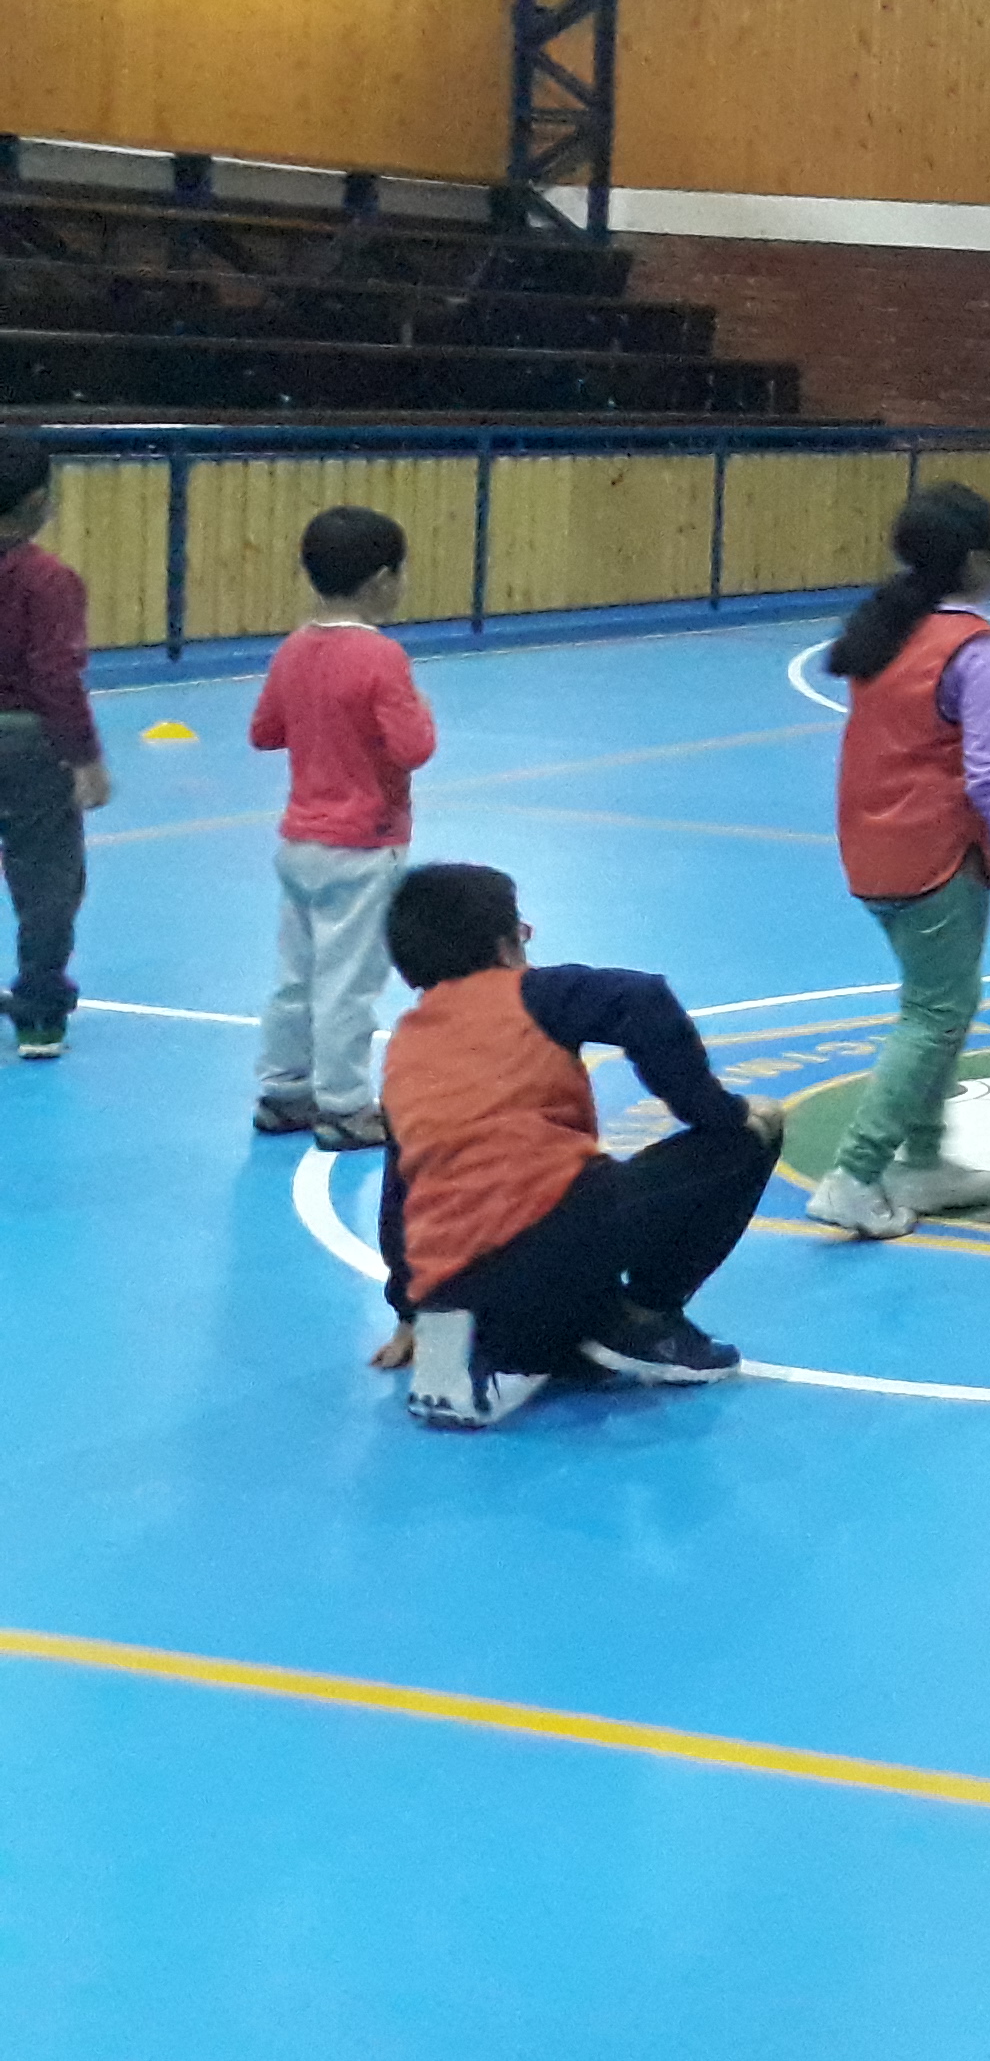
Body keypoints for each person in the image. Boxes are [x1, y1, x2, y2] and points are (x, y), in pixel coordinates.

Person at [371, 861, 784, 1431]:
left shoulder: (405, 1050)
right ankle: (644, 1316)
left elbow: (401, 1189)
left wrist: (409, 1309)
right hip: (550, 1250)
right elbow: (642, 998)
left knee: (552, 1221)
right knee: (746, 1139)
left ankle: (506, 1346)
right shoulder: (529, 993)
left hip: (453, 1291)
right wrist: (717, 1110)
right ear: (506, 946)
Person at [809, 483, 990, 1240]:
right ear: (975, 560)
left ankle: (926, 1161)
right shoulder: (979, 652)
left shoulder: (885, 630)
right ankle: (855, 1174)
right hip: (937, 857)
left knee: (943, 1003)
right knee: (934, 1014)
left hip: (874, 847)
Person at [247, 505, 437, 1152]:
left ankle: (283, 1089)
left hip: (300, 840)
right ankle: (346, 1104)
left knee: (295, 975)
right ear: (383, 580)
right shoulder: (383, 657)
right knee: (349, 983)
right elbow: (414, 748)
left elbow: (265, 731)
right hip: (363, 843)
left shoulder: (294, 647)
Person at [0, 428, 104, 1061]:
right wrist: (85, 757)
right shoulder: (48, 580)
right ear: (39, 500)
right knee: (47, 876)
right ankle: (40, 1010)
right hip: (27, 742)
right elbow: (56, 677)